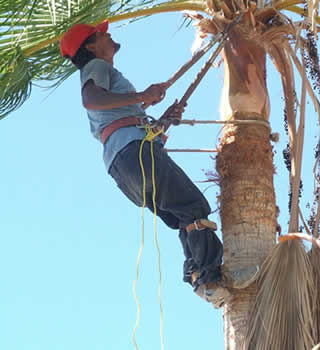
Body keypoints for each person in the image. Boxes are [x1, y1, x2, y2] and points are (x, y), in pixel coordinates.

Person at [59, 20, 231, 308]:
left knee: (182, 216)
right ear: (90, 46)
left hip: (123, 165)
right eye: (101, 34)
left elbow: (129, 125)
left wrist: (163, 120)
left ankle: (200, 276)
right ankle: (211, 279)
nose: (108, 34)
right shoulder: (99, 68)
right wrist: (143, 97)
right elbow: (90, 99)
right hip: (131, 152)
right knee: (193, 207)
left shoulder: (109, 84)